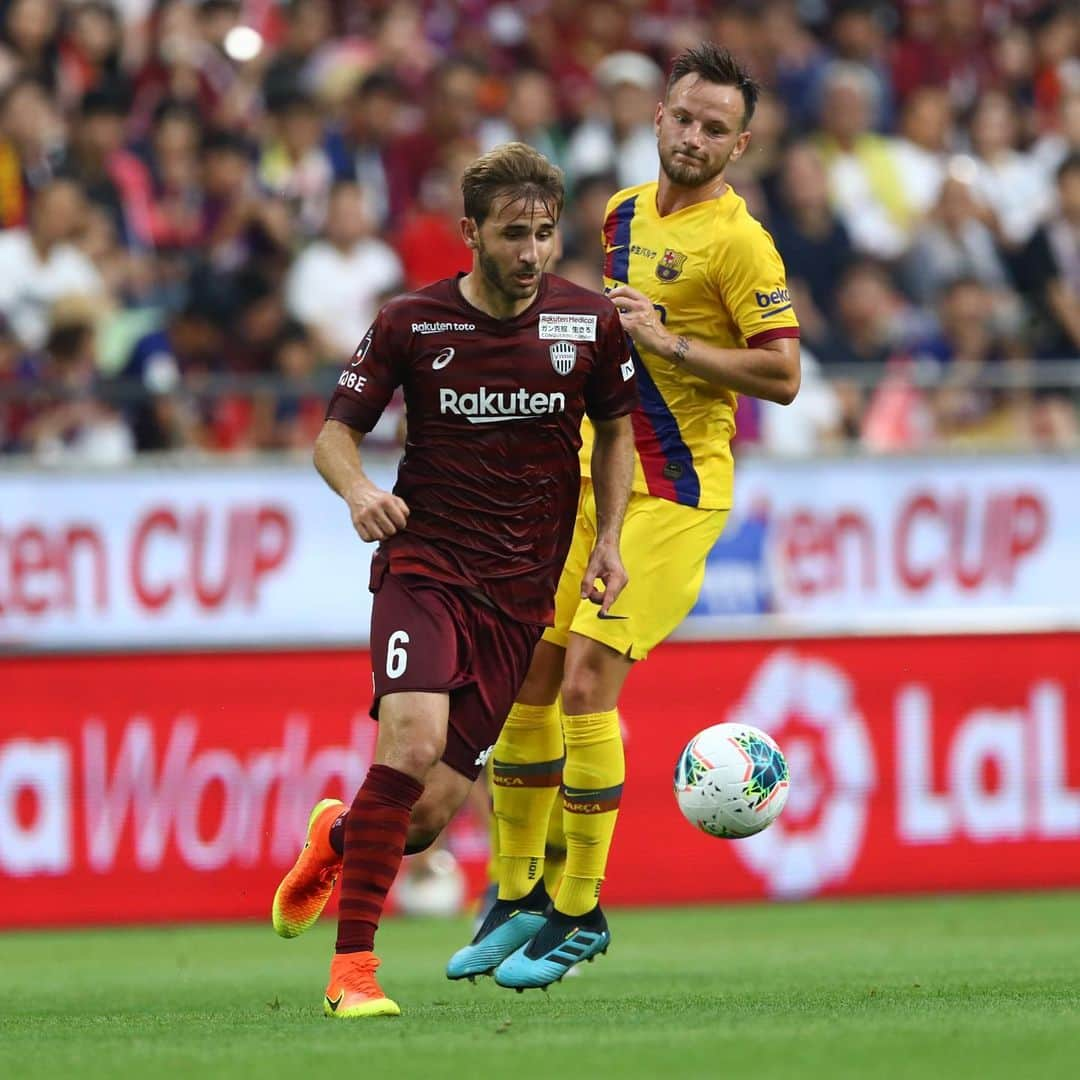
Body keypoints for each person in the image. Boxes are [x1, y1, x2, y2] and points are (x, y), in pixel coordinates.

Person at [447, 43, 801, 991]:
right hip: (593, 487)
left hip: (677, 495)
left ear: (741, 143)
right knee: (530, 671)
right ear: (658, 118)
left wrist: (668, 339)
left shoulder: (740, 243)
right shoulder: (617, 217)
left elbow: (784, 373)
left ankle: (581, 908)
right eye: (683, 118)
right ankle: (516, 893)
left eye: (715, 128)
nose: (694, 137)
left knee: (590, 681)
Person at [270, 141, 638, 1019]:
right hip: (424, 567)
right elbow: (333, 434)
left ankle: (338, 839)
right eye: (514, 234)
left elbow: (618, 431)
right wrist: (359, 491)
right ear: (470, 233)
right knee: (407, 744)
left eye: (546, 234)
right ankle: (352, 973)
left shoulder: (590, 324)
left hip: (520, 599)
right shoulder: (411, 322)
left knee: (428, 814)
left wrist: (612, 540)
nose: (532, 253)